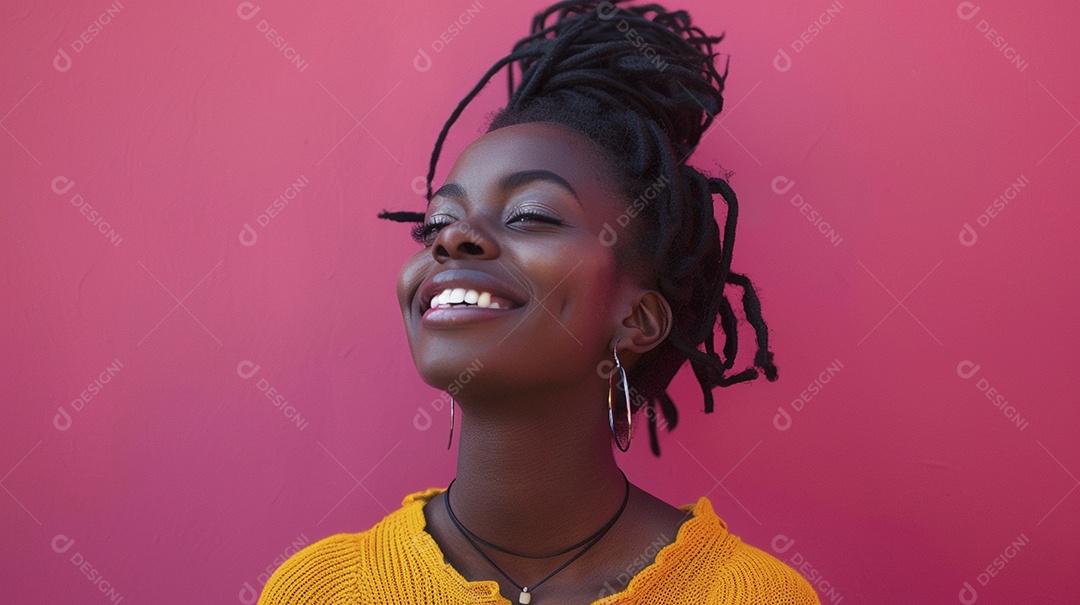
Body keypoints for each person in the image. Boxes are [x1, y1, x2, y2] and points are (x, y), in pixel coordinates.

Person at [258, 1, 820, 603]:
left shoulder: (747, 594)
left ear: (639, 318)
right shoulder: (321, 589)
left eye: (530, 215)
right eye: (436, 223)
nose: (452, 237)